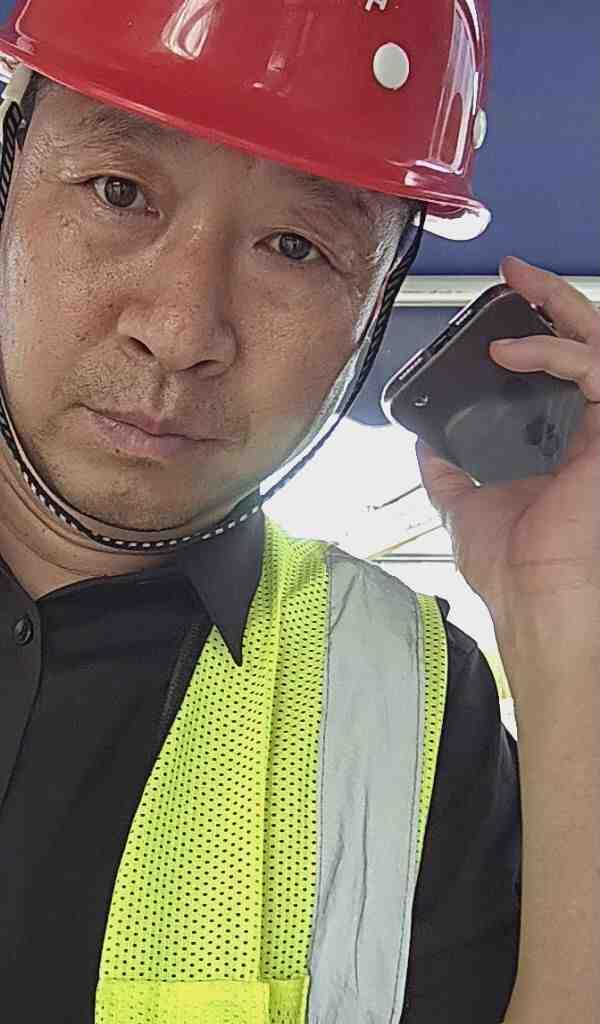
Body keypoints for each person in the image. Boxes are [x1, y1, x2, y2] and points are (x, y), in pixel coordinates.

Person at [0, 2, 597, 1022]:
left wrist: (569, 619)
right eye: (119, 191)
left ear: (379, 303)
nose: (182, 331)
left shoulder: (409, 704)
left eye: (294, 245)